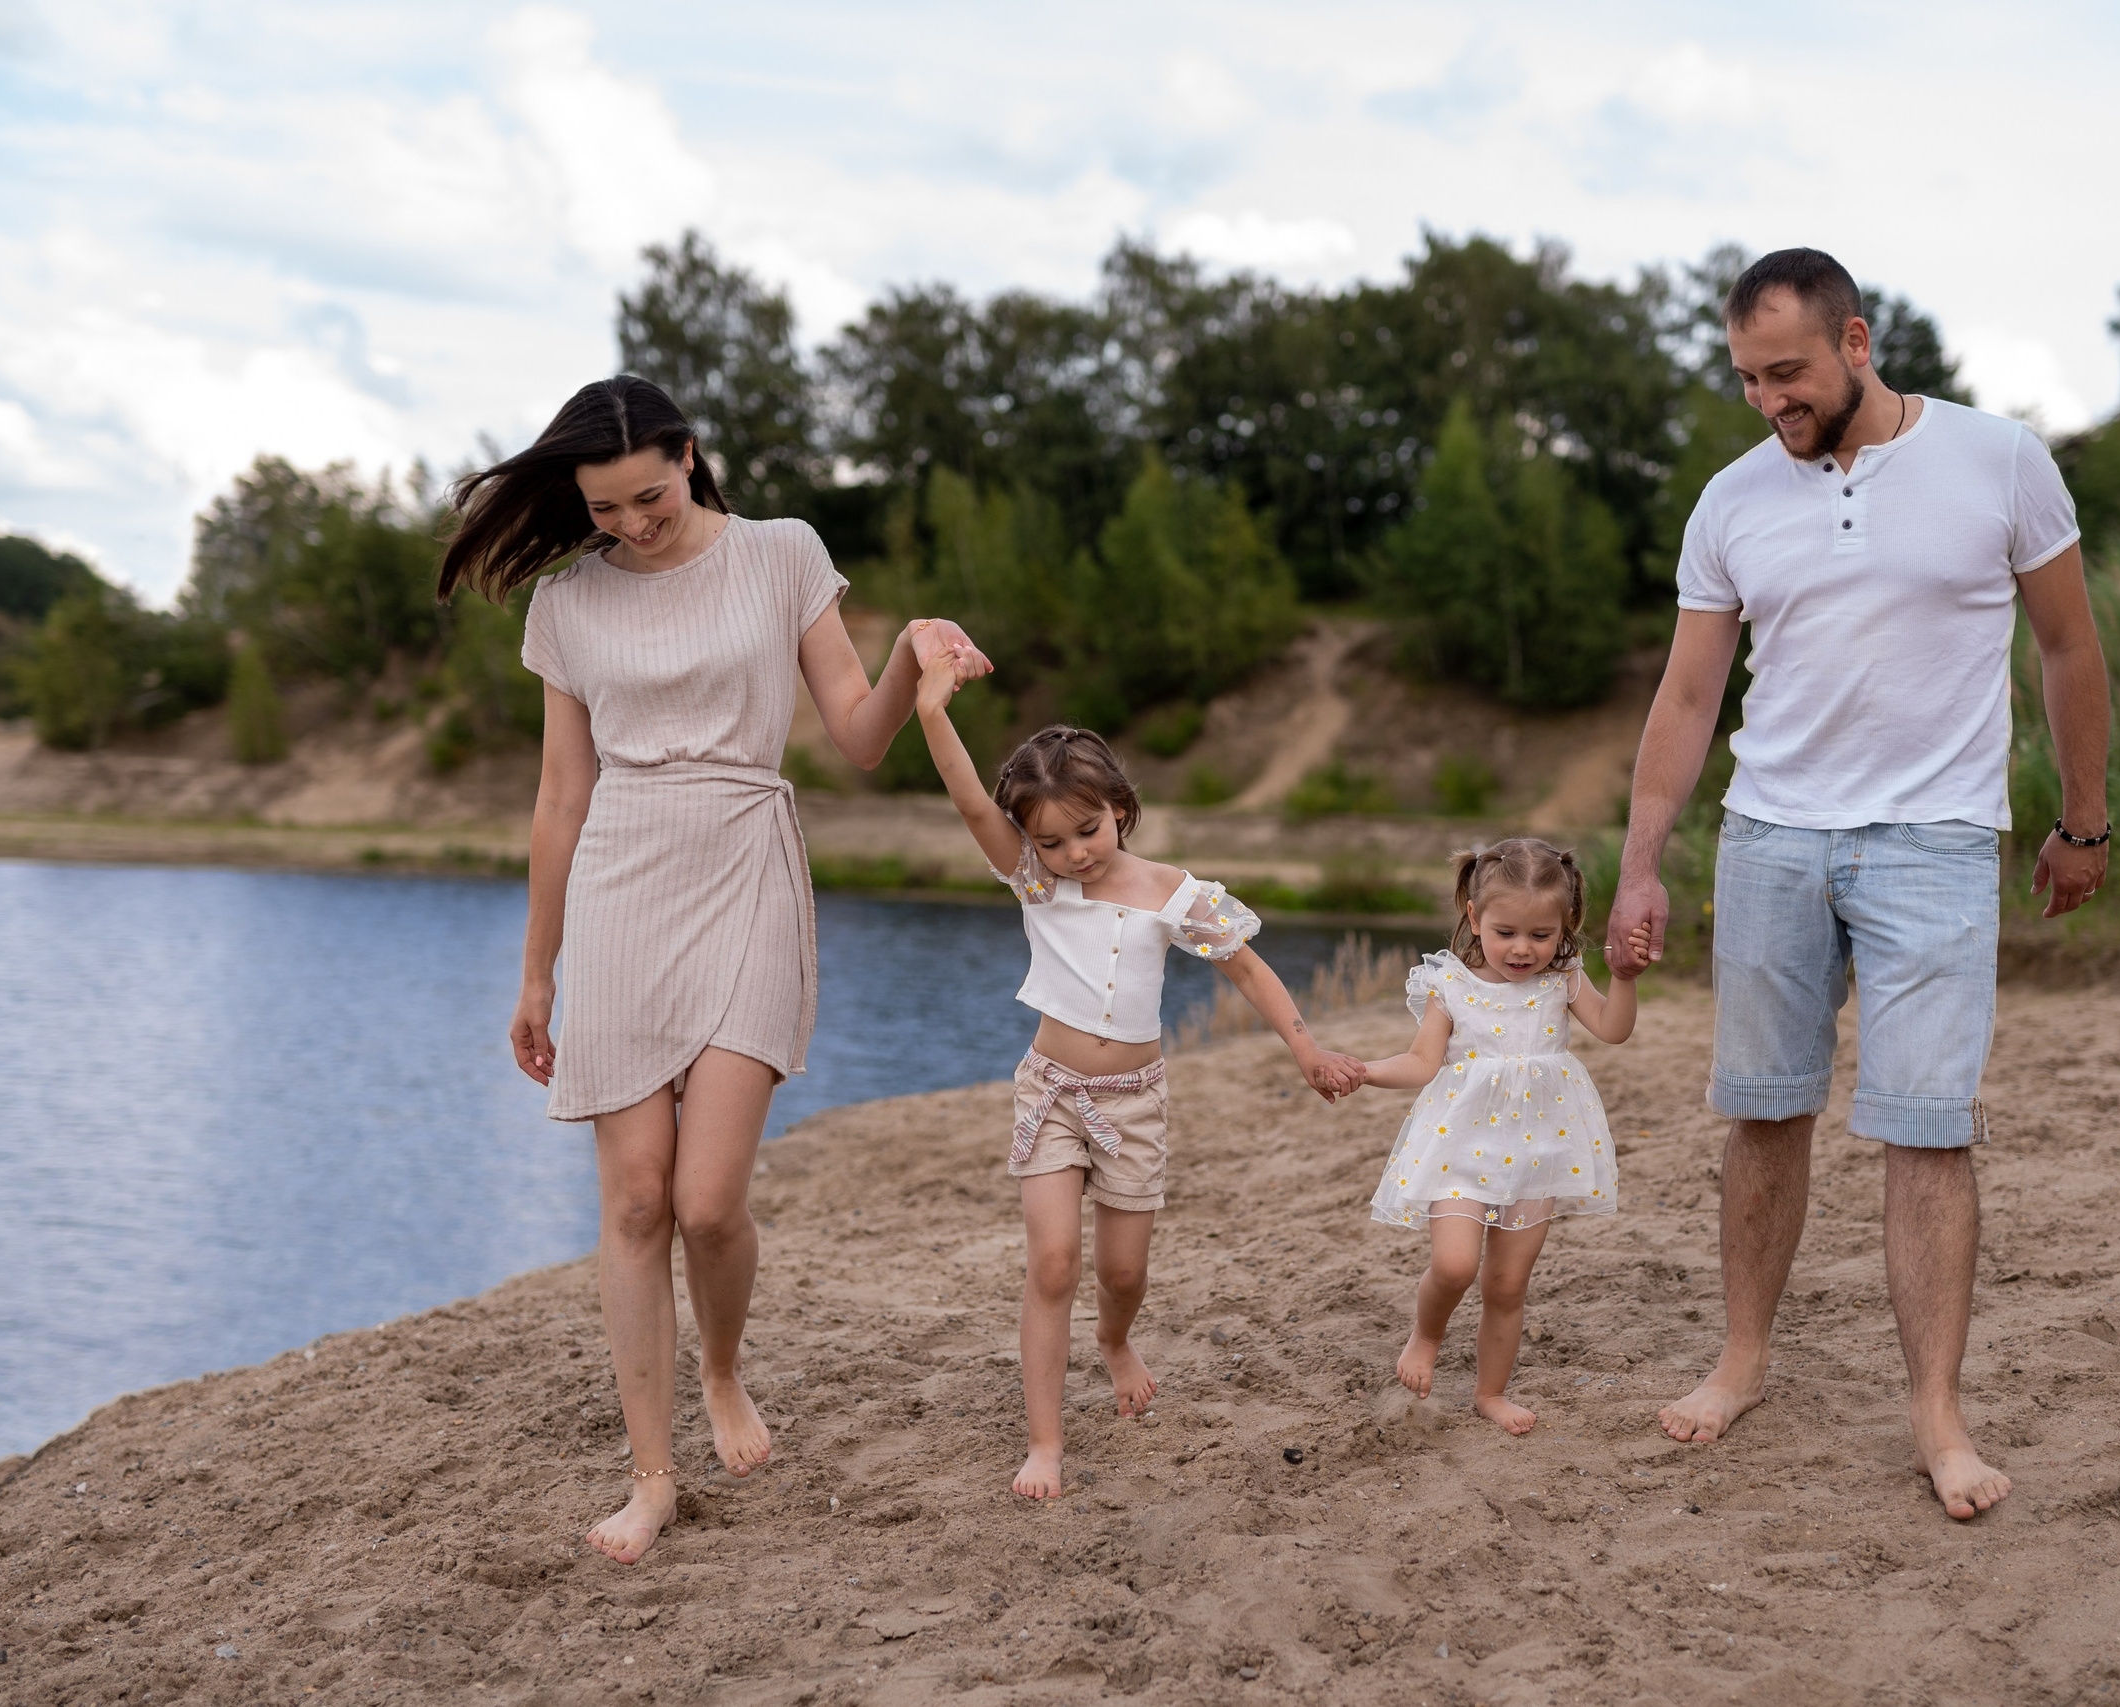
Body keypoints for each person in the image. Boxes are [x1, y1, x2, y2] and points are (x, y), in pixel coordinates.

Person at [439, 374, 990, 1566]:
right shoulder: (568, 605)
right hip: (624, 882)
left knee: (705, 1202)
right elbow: (559, 794)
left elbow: (853, 735)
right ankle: (652, 1477)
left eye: (647, 495)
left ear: (689, 456)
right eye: (603, 509)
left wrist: (907, 653)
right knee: (635, 1198)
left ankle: (723, 1368)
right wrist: (536, 975)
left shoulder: (781, 553)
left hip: (746, 860)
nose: (630, 524)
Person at [1603, 249, 2111, 1521]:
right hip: (1771, 835)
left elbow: (2067, 647)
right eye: (1745, 379)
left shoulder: (1999, 461)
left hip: (1936, 840)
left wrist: (2083, 825)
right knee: (1763, 1113)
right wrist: (1640, 865)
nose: (1768, 399)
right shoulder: (1729, 501)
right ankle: (1741, 1360)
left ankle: (1937, 1416)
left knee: (1925, 1129)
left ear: (1857, 342)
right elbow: (1686, 693)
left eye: (1787, 372)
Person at [914, 657, 1367, 1499]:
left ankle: (1116, 1340)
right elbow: (971, 799)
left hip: (1138, 1104)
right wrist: (932, 710)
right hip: (1050, 1092)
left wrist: (1307, 1049)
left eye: (1087, 829)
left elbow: (1251, 972)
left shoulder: (1173, 893)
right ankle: (1044, 1441)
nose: (1072, 852)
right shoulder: (1036, 880)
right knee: (1053, 1262)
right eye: (1050, 839)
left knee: (1122, 1274)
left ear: (1119, 809)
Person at [1357, 839, 1652, 1434]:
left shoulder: (1564, 980)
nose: (1523, 949)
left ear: (1567, 925)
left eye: (1541, 935)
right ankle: (1426, 1334)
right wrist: (1362, 1071)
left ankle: (1490, 1393)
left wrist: (1625, 976)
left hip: (1539, 1148)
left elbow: (1614, 1030)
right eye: (1507, 931)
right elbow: (1420, 1063)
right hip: (1460, 1146)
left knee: (1508, 1282)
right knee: (1456, 1264)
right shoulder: (1450, 985)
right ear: (1474, 917)